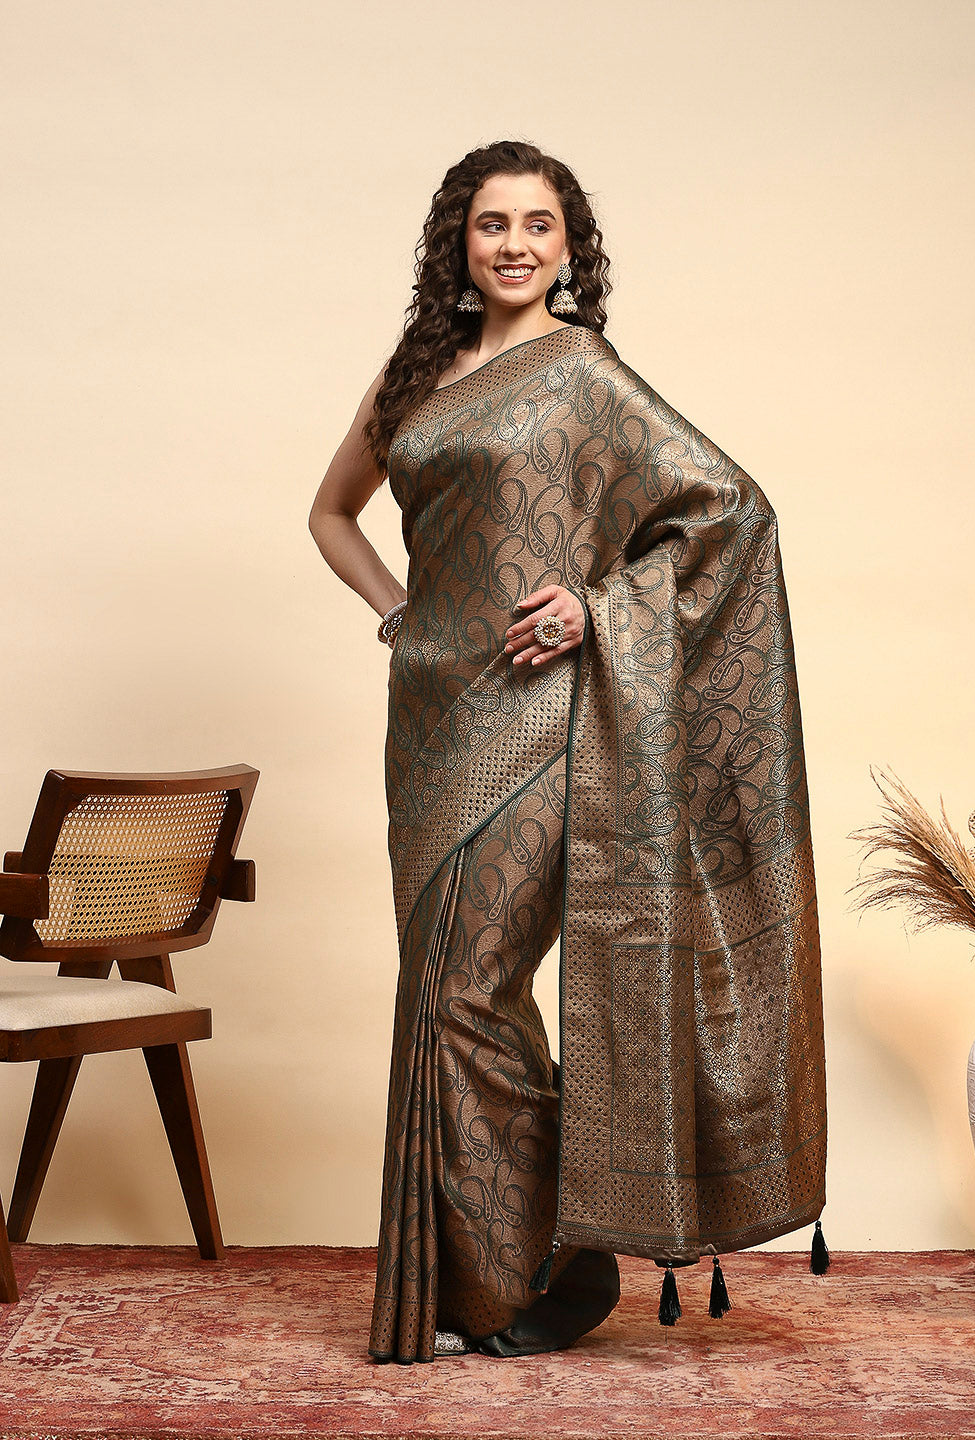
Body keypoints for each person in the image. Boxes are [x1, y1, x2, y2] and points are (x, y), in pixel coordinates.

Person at [308, 140, 829, 1368]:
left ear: (567, 245)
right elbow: (330, 512)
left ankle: (555, 1263)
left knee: (470, 989)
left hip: (545, 719)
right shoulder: (415, 372)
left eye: (538, 225)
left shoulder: (585, 373)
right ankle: (509, 1275)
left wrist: (598, 609)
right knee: (440, 999)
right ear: (458, 239)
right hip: (430, 721)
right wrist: (397, 613)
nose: (515, 245)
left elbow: (732, 512)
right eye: (493, 223)